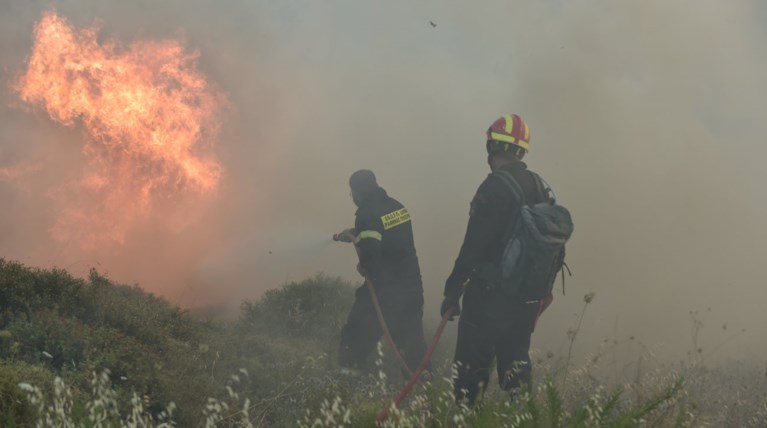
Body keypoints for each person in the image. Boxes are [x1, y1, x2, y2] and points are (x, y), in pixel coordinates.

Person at [441, 114, 556, 403]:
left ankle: (464, 417)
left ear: (493, 147)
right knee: (516, 364)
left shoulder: (494, 187)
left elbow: (473, 246)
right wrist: (542, 292)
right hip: (527, 297)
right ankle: (522, 417)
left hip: (489, 296)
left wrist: (452, 289)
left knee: (470, 367)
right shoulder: (541, 187)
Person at [334, 170, 427, 375]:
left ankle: (345, 387)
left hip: (384, 292)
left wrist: (362, 262)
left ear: (356, 192)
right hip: (411, 288)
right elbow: (387, 236)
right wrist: (356, 235)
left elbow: (370, 257)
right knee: (412, 350)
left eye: (352, 194)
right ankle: (422, 396)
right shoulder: (396, 206)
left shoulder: (366, 213)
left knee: (354, 339)